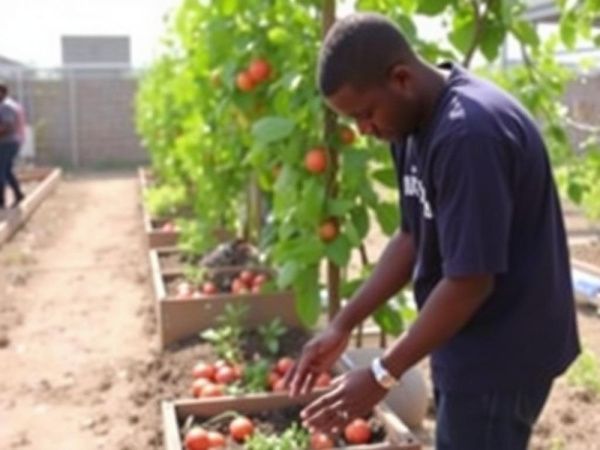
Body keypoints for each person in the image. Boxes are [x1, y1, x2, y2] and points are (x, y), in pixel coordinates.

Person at [285, 12, 580, 450]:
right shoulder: (409, 122)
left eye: (365, 115)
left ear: (400, 78)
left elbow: (470, 282)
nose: (364, 131)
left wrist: (383, 373)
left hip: (502, 353)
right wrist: (343, 324)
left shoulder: (468, 135)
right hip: (467, 340)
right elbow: (411, 235)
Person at [0, 83, 25, 209]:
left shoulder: (5, 107)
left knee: (1, 171)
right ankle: (18, 194)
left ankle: (1, 201)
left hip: (7, 143)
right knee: (7, 170)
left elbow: (8, 126)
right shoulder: (5, 105)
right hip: (8, 142)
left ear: (2, 93)